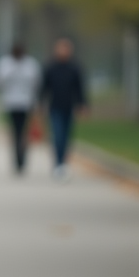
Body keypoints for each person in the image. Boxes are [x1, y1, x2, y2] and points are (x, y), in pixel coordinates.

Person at [40, 38, 88, 182]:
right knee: (58, 136)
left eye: (66, 49)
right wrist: (41, 103)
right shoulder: (51, 67)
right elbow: (44, 87)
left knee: (67, 137)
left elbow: (80, 88)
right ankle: (58, 164)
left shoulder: (75, 68)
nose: (64, 51)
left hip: (69, 107)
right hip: (55, 107)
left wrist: (82, 104)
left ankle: (63, 163)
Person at [0, 42, 42, 175]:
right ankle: (16, 157)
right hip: (11, 103)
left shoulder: (31, 64)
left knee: (23, 132)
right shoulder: (5, 64)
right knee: (15, 131)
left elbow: (37, 83)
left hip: (26, 103)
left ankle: (22, 156)